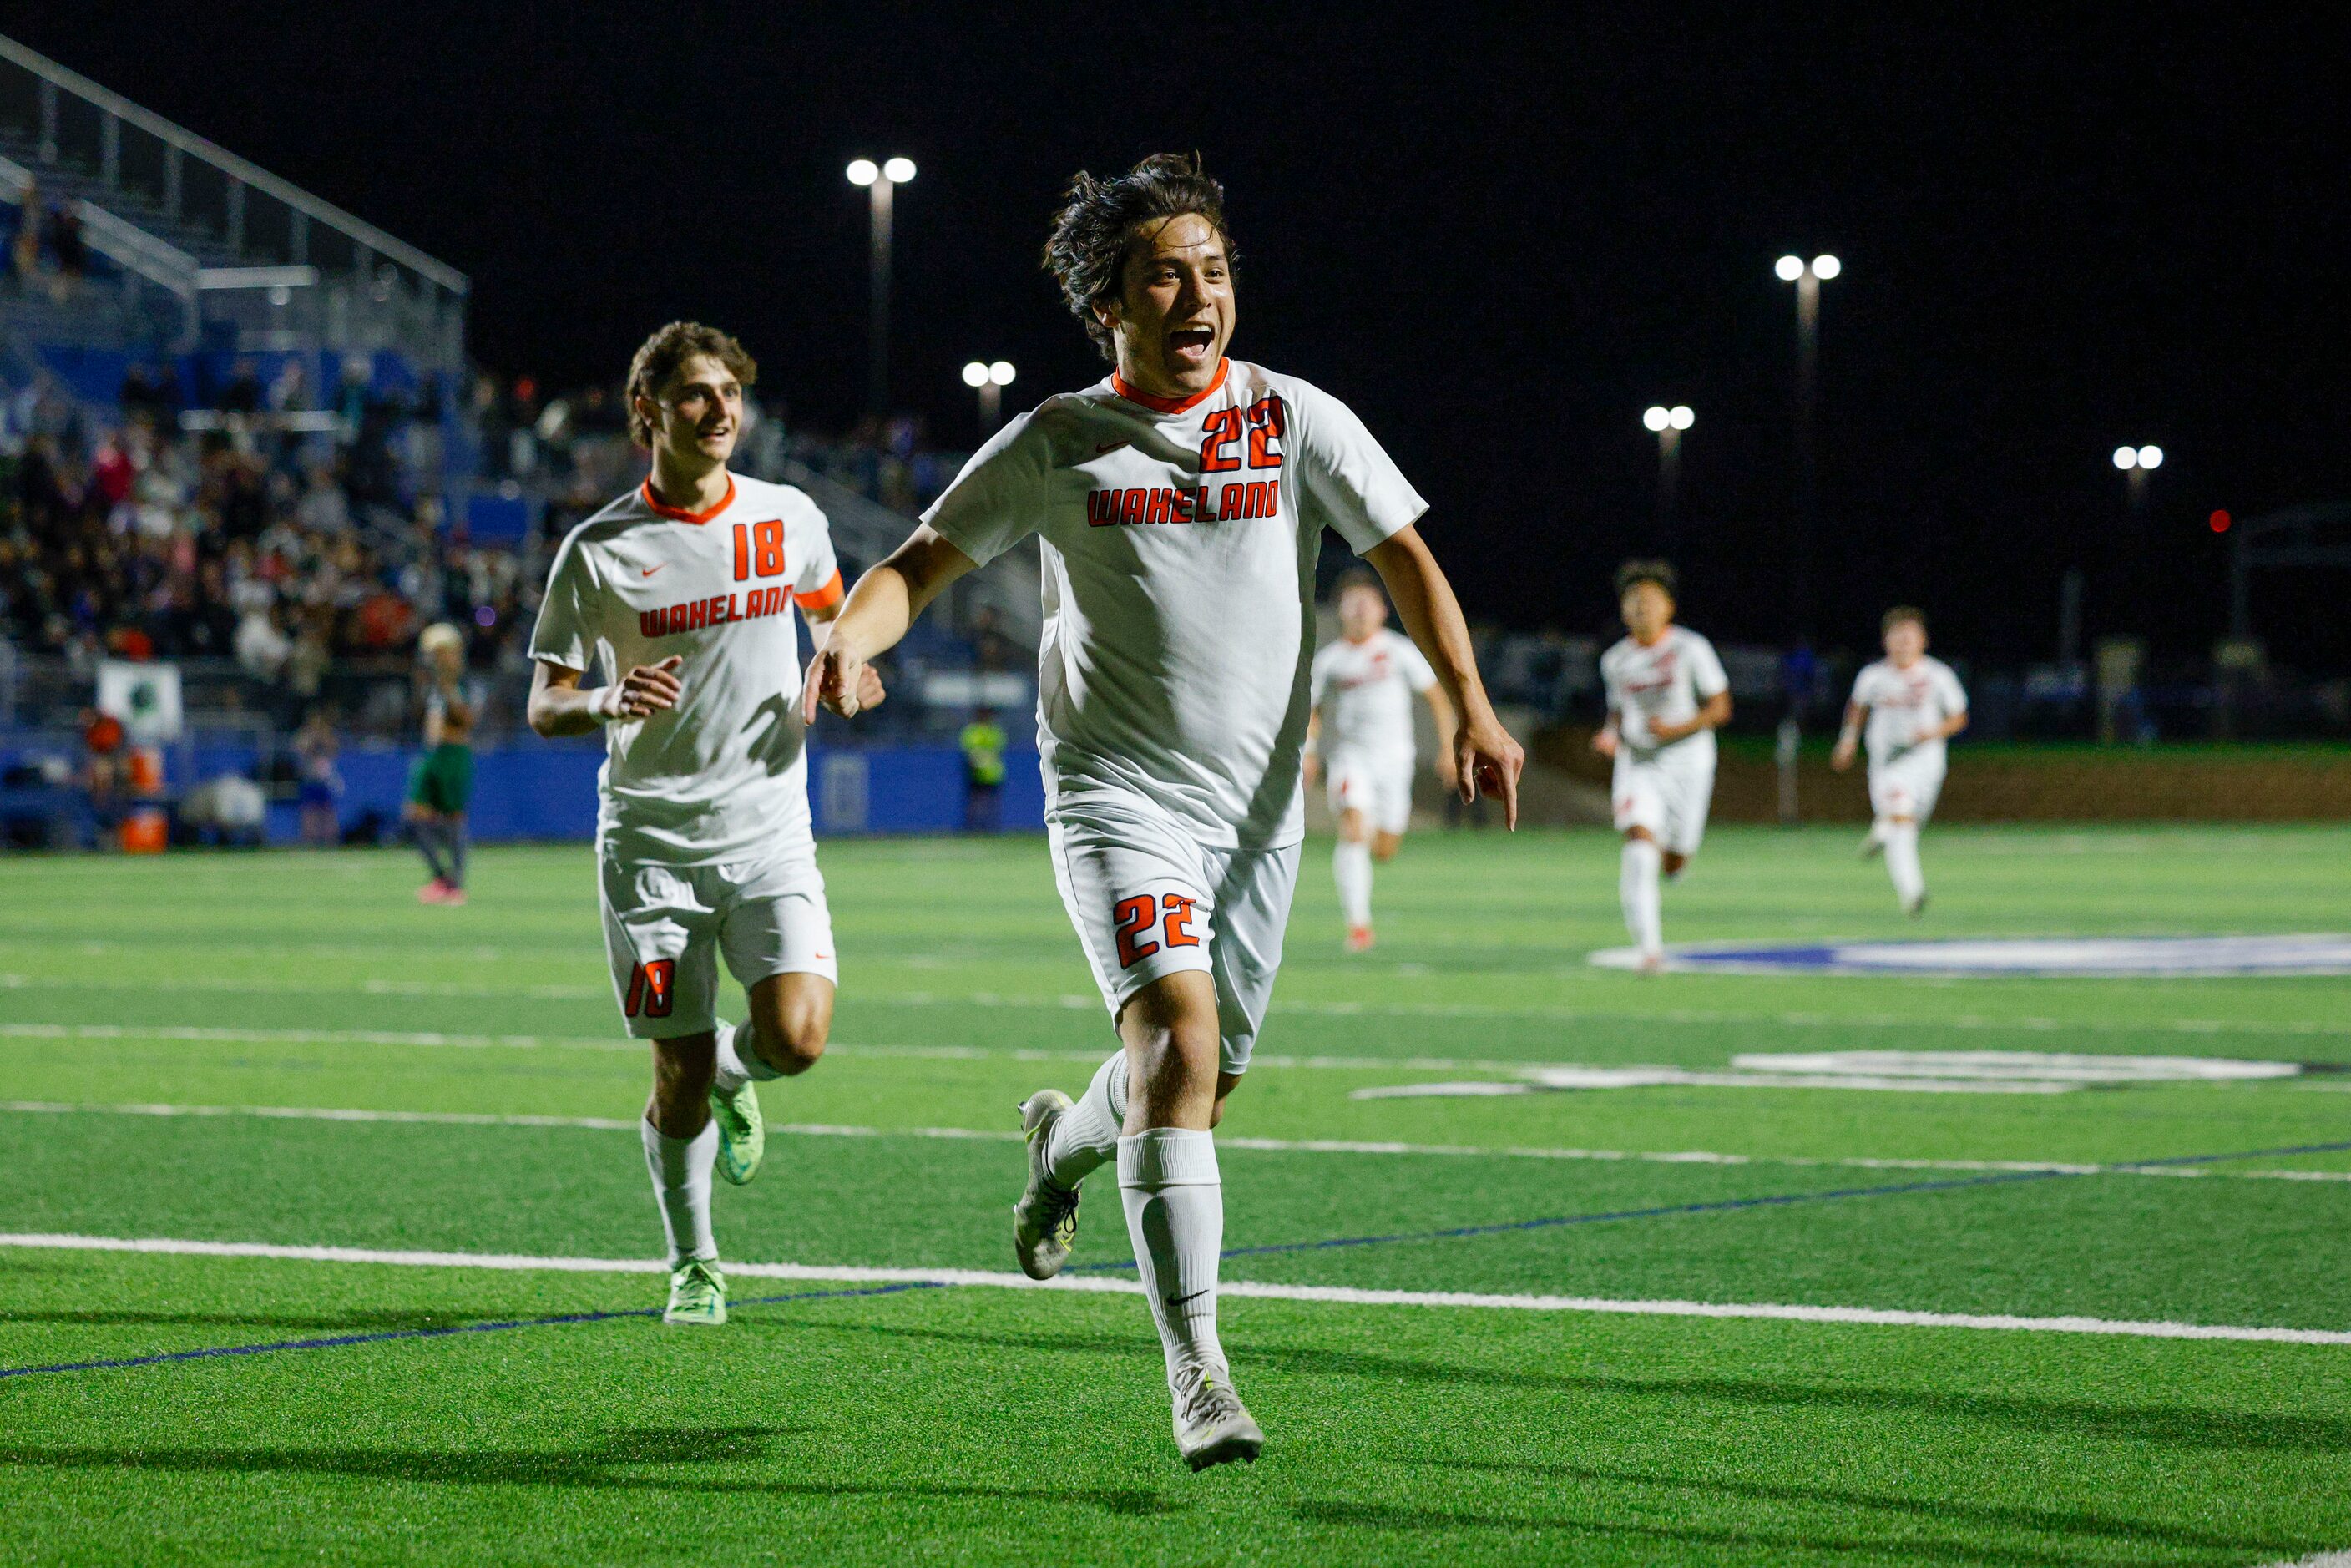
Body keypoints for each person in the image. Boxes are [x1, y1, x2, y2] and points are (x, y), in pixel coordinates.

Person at [801, 154, 1524, 1470]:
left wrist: (1468, 701)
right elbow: (917, 564)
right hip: (1115, 790)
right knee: (1180, 1049)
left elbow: (1403, 554)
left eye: (1214, 269)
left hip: (1260, 814)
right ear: (1108, 308)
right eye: (1164, 276)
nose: (1199, 294)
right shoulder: (1059, 440)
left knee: (1195, 1082)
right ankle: (1198, 1372)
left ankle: (1055, 1152)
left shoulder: (1292, 418)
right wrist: (852, 638)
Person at [526, 321, 882, 1328]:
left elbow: (832, 616)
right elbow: (544, 702)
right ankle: (695, 1262)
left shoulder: (788, 516)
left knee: (799, 1038)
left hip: (769, 830)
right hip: (651, 851)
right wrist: (602, 700)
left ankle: (741, 1070)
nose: (720, 410)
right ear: (648, 412)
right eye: (695, 395)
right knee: (671, 1078)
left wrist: (847, 662)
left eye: (730, 392)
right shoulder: (598, 550)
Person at [1304, 569, 1456, 951]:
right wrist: (1309, 752)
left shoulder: (1398, 650)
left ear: (1382, 611)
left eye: (1365, 603)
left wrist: (1448, 747)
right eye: (1350, 604)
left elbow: (1437, 698)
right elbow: (1313, 711)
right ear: (1340, 611)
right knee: (1353, 829)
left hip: (1395, 761)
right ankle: (1358, 925)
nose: (1358, 611)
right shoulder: (1330, 661)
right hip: (1350, 759)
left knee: (1384, 849)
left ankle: (1369, 839)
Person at [1594, 560, 1730, 974]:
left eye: (1650, 601)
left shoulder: (1692, 648)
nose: (1641, 609)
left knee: (1674, 859)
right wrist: (1610, 734)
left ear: (1669, 607)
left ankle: (1678, 860)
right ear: (1623, 611)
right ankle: (1650, 950)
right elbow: (1618, 711)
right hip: (1639, 764)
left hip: (1690, 762)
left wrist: (1677, 728)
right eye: (1633, 603)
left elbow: (1720, 708)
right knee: (1638, 847)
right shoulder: (1615, 660)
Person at [1833, 607, 1969, 915]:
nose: (1904, 644)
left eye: (1910, 638)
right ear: (1886, 641)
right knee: (1902, 821)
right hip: (1887, 764)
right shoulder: (1873, 676)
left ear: (1923, 641)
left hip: (1927, 762)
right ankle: (1912, 891)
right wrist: (1847, 741)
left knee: (1909, 823)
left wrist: (1932, 732)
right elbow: (1858, 708)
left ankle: (1882, 827)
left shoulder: (1938, 675)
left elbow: (1959, 717)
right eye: (1898, 637)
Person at [405, 621, 479, 903]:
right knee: (415, 817)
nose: (435, 659)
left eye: (440, 653)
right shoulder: (430, 683)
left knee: (453, 820)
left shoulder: (466, 683)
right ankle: (441, 877)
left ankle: (456, 884)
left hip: (454, 754)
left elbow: (468, 721)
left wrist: (448, 689)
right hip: (431, 753)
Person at [294, 709, 343, 847]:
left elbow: (334, 750)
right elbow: (300, 750)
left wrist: (324, 737)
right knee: (309, 813)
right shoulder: (304, 736)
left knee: (328, 812)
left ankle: (331, 841)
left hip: (324, 781)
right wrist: (312, 739)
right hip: (309, 780)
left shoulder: (328, 736)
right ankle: (309, 842)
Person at [959, 706, 1006, 832]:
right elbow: (970, 751)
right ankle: (973, 828)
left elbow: (998, 750)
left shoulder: (995, 731)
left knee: (990, 803)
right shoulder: (972, 731)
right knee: (975, 803)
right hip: (976, 774)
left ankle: (989, 827)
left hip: (993, 774)